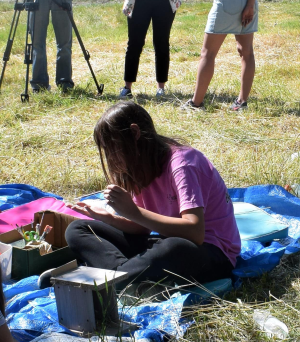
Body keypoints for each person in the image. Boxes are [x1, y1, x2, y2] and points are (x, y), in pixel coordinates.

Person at [65, 102, 239, 287]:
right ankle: (125, 277)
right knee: (78, 229)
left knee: (172, 247)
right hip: (166, 241)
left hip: (211, 252)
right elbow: (143, 227)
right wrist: (109, 219)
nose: (111, 158)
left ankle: (117, 278)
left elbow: (195, 233)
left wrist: (133, 212)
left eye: (113, 149)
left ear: (134, 133)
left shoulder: (183, 165)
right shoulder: (140, 166)